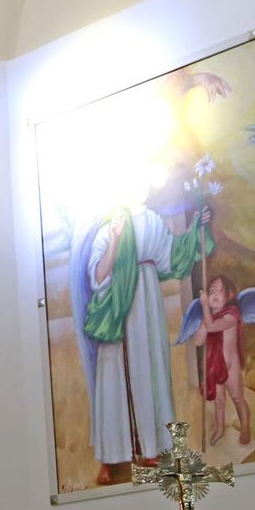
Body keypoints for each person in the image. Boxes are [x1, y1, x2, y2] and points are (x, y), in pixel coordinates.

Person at [69, 204, 212, 484]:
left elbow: (173, 255)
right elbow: (98, 277)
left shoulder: (152, 220)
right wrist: (113, 240)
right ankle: (110, 457)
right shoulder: (110, 224)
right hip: (118, 311)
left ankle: (150, 448)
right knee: (114, 382)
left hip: (147, 307)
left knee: (150, 373)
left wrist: (196, 228)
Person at [199, 275, 250, 445]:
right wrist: (205, 316)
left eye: (220, 290)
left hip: (231, 365)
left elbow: (213, 327)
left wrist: (206, 306)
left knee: (237, 398)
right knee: (219, 401)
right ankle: (220, 428)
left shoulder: (231, 315)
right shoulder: (208, 318)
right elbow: (198, 340)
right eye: (211, 290)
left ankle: (245, 426)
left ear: (229, 296)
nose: (214, 293)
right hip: (215, 365)